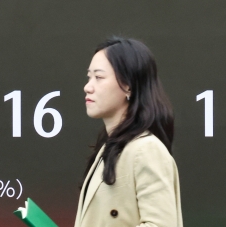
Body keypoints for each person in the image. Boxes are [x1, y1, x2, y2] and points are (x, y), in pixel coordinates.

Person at [74, 37, 183, 227]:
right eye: (89, 77)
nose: (88, 87)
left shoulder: (146, 149)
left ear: (128, 86)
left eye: (99, 77)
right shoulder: (108, 148)